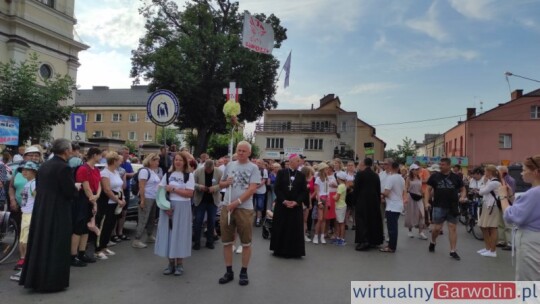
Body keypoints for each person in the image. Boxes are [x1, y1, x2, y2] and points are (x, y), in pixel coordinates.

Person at [19, 138, 80, 292]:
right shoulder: (64, 168)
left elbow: (40, 187)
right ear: (66, 151)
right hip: (58, 211)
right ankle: (52, 281)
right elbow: (68, 191)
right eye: (71, 149)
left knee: (41, 242)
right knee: (56, 245)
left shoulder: (44, 166)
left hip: (42, 210)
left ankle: (35, 278)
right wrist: (76, 189)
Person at [218, 141, 261, 286]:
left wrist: (235, 203)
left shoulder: (253, 168)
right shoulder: (230, 165)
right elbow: (221, 183)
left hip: (244, 208)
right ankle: (228, 271)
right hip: (227, 206)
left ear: (249, 153)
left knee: (246, 242)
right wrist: (226, 183)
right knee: (227, 241)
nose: (241, 153)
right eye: (239, 150)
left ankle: (244, 271)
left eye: (244, 151)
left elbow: (252, 189)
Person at [499, 155, 540, 280]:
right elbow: (527, 209)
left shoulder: (534, 192)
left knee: (529, 280)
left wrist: (503, 197)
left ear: (536, 172)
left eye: (524, 170)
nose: (522, 173)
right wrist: (511, 197)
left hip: (531, 240)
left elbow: (512, 216)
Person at [156, 153, 194, 275]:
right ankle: (170, 263)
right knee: (169, 234)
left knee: (180, 234)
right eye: (176, 160)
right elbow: (160, 191)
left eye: (180, 160)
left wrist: (173, 189)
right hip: (168, 206)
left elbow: (189, 193)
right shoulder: (168, 175)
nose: (177, 162)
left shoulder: (189, 176)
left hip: (183, 207)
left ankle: (180, 264)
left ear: (184, 162)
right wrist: (164, 206)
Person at [424, 158, 467, 261]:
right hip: (439, 205)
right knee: (437, 229)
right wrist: (426, 202)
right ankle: (433, 241)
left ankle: (453, 250)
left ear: (448, 165)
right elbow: (428, 189)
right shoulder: (435, 176)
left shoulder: (456, 177)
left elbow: (463, 189)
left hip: (453, 206)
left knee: (452, 227)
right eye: (440, 164)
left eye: (442, 164)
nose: (440, 166)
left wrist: (462, 196)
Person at [270, 154, 308, 258]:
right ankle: (279, 250)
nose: (299, 163)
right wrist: (284, 200)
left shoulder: (301, 175)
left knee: (294, 228)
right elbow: (277, 188)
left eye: (299, 161)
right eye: (297, 161)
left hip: (295, 206)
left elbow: (304, 191)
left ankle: (295, 251)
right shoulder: (281, 173)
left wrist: (296, 202)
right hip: (282, 205)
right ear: (291, 162)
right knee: (281, 226)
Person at [71, 147, 102, 267]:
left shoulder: (96, 169)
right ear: (94, 155)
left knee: (86, 228)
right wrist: (93, 200)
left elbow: (98, 184)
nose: (100, 157)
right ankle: (73, 255)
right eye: (99, 155)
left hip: (92, 198)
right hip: (82, 200)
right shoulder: (83, 169)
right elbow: (85, 186)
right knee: (78, 228)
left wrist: (97, 196)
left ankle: (81, 253)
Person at [10, 161, 38, 281]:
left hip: (30, 214)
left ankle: (26, 268)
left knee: (26, 240)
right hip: (25, 213)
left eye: (27, 169)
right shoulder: (28, 183)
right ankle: (24, 264)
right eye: (23, 170)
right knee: (22, 240)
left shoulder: (34, 183)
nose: (24, 171)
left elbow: (38, 198)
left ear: (34, 171)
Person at [95, 152, 126, 260]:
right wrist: (118, 200)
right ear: (114, 161)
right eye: (119, 160)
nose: (120, 162)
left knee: (110, 225)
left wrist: (123, 199)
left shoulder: (116, 172)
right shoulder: (105, 173)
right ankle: (98, 249)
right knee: (103, 226)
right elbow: (107, 190)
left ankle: (104, 246)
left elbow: (120, 186)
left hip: (115, 203)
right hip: (107, 203)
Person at [132, 153, 162, 249]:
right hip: (147, 197)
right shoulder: (144, 171)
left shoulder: (153, 171)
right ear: (151, 161)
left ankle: (149, 235)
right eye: (156, 160)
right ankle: (137, 240)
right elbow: (142, 186)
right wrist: (142, 200)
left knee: (151, 218)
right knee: (143, 218)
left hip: (153, 198)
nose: (158, 163)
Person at [353, 158, 383, 251]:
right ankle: (373, 240)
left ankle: (364, 241)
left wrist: (354, 201)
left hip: (362, 201)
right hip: (373, 201)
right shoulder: (375, 175)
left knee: (362, 220)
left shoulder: (360, 174)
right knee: (372, 220)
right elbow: (378, 189)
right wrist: (378, 201)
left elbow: (356, 189)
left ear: (364, 164)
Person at [193, 159, 223, 250]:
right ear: (204, 166)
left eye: (210, 170)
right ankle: (196, 242)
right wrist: (200, 187)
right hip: (200, 200)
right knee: (198, 221)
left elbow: (222, 184)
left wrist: (214, 188)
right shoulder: (198, 171)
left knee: (211, 221)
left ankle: (210, 242)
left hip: (213, 200)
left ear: (213, 167)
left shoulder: (219, 172)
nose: (208, 171)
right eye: (207, 169)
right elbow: (192, 184)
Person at [477, 165, 502, 258]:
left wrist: (483, 184)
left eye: (485, 171)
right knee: (483, 226)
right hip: (487, 205)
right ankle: (488, 248)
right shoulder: (490, 182)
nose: (484, 173)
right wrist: (484, 183)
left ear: (489, 172)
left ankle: (492, 250)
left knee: (492, 227)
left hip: (491, 206)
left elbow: (481, 192)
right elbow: (482, 189)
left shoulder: (494, 183)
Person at [380, 162, 405, 253]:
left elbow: (386, 193)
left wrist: (380, 194)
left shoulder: (391, 178)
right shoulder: (401, 178)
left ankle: (391, 247)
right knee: (393, 227)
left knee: (392, 228)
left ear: (390, 167)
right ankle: (391, 244)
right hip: (398, 204)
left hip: (392, 206)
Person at [404, 164, 427, 240]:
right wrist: (405, 198)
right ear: (412, 170)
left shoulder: (419, 178)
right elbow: (406, 188)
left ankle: (421, 232)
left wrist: (424, 197)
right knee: (411, 214)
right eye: (416, 169)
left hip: (419, 197)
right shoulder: (408, 178)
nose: (417, 171)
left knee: (421, 214)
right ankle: (410, 231)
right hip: (411, 197)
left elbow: (420, 188)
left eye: (418, 169)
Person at [313, 162, 330, 244]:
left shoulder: (327, 178)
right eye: (326, 169)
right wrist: (319, 201)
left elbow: (328, 190)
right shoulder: (318, 179)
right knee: (320, 219)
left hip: (326, 199)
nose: (328, 170)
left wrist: (328, 200)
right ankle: (316, 236)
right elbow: (317, 191)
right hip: (321, 199)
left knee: (324, 219)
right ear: (323, 170)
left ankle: (322, 236)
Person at [333, 171, 348, 246]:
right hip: (341, 206)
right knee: (339, 222)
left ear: (338, 178)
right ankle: (339, 237)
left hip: (340, 206)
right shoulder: (343, 185)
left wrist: (332, 197)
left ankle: (342, 239)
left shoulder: (340, 186)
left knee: (341, 223)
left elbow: (336, 198)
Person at [254, 159, 268, 227]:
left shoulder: (264, 170)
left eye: (259, 163)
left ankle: (258, 219)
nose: (258, 164)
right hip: (252, 191)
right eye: (257, 162)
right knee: (252, 205)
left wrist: (256, 186)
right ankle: (254, 217)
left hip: (261, 191)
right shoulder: (253, 169)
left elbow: (264, 180)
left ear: (262, 164)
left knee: (259, 205)